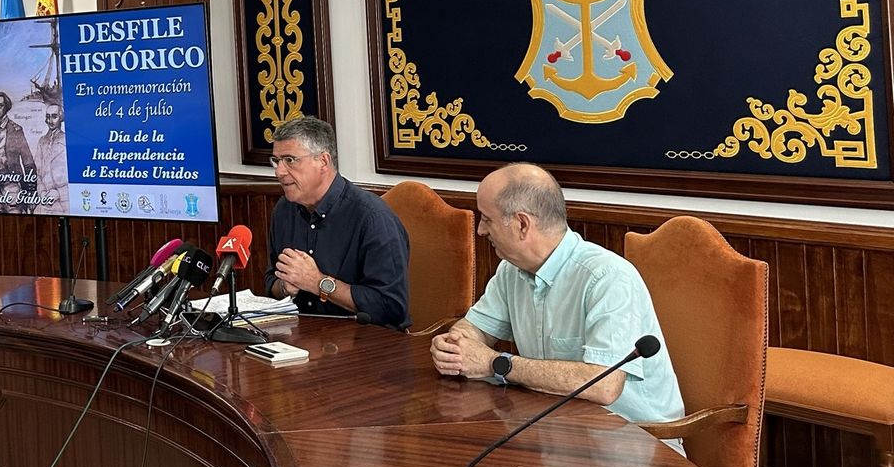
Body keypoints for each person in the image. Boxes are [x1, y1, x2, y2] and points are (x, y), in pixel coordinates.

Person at [429, 162, 684, 425]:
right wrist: (455, 348)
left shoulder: (608, 277)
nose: (481, 230)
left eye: (487, 219)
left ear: (522, 224)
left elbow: (605, 386)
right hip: (554, 430)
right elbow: (474, 329)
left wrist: (497, 363)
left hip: (635, 442)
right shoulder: (511, 270)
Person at [262, 116, 410, 327]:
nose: (279, 171)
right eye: (276, 161)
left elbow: (390, 307)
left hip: (367, 344)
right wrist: (285, 286)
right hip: (301, 336)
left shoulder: (373, 218)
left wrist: (317, 283)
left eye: (290, 160)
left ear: (323, 161)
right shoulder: (284, 210)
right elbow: (271, 280)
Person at [0, 90, 37, 210]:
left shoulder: (16, 130)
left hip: (13, 187)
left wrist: (31, 192)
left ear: (6, 107)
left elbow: (28, 162)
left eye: (0, 106)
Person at [35, 104, 68, 209]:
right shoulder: (42, 141)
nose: (50, 120)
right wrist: (42, 192)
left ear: (61, 118)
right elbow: (37, 172)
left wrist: (59, 193)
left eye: (54, 116)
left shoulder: (68, 140)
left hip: (64, 200)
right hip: (44, 200)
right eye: (48, 117)